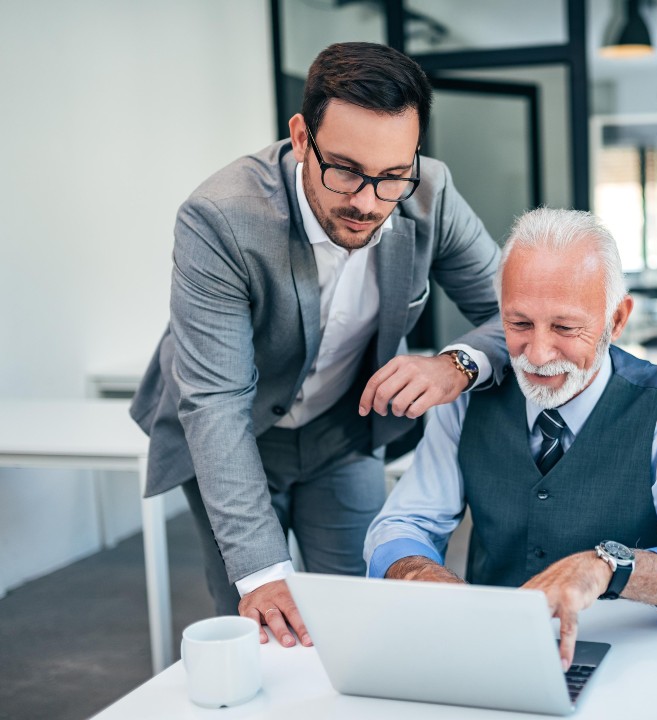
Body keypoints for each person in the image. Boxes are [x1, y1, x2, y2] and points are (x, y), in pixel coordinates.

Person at [129, 42, 507, 649]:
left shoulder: (430, 192)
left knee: (361, 612)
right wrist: (265, 575)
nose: (367, 201)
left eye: (391, 177)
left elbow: (508, 313)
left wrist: (457, 364)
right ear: (302, 137)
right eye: (347, 170)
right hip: (235, 432)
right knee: (260, 621)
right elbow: (218, 404)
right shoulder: (220, 219)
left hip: (341, 429)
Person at [365, 208, 657, 671]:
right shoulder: (465, 404)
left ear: (617, 319)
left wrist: (613, 567)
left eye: (565, 328)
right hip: (495, 659)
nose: (538, 354)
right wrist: (423, 576)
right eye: (519, 324)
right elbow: (400, 526)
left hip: (643, 664)